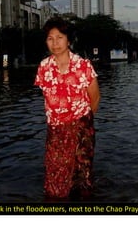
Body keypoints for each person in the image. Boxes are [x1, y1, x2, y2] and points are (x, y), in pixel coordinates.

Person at [34, 17, 100, 199]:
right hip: (55, 131)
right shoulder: (43, 67)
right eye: (50, 38)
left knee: (82, 178)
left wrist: (83, 125)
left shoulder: (83, 65)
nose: (55, 43)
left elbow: (95, 98)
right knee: (54, 182)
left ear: (68, 40)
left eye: (60, 37)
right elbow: (47, 100)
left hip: (81, 128)